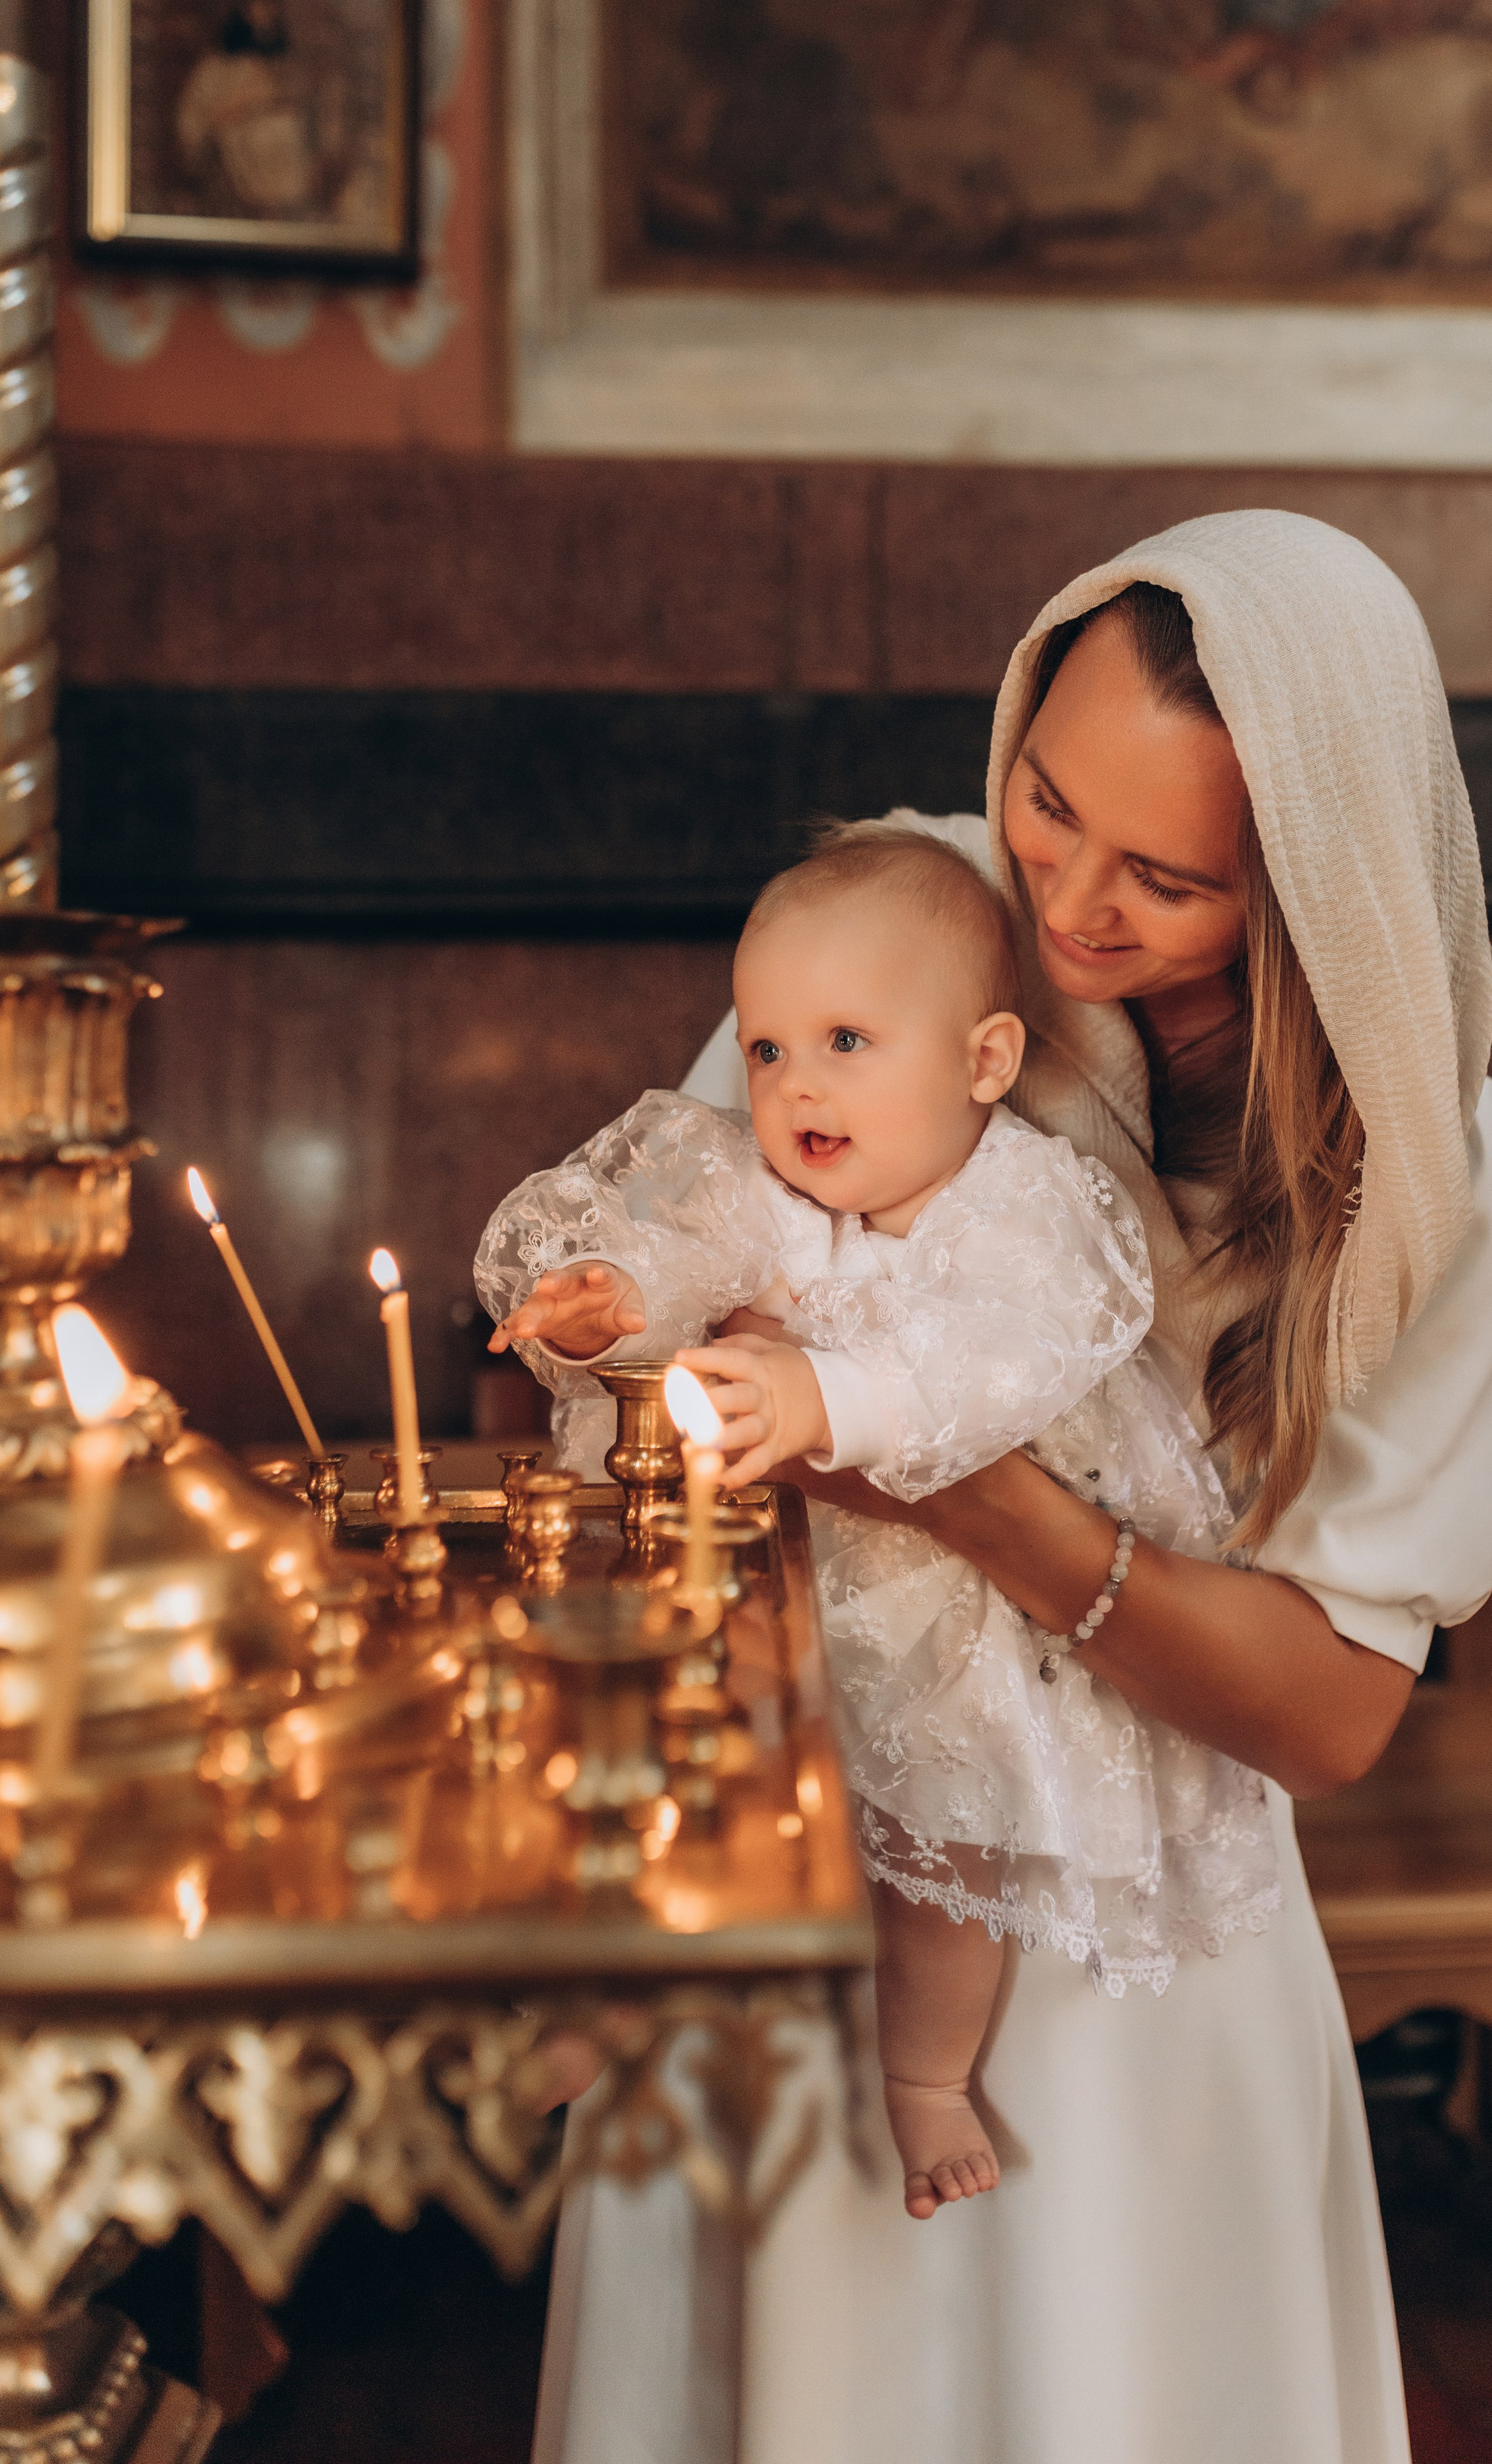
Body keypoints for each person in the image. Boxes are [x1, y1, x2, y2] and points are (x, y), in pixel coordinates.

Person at [526, 509, 1492, 2464]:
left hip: (1126, 1935)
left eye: (1168, 878)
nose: (1066, 899)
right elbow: (683, 1309)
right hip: (791, 1857)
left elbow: (1330, 1713)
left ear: (1314, 889)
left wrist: (959, 1487)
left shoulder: (1442, 1167)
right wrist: (616, 1327)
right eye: (1048, 802)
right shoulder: (897, 932)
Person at [477, 828, 1276, 2221]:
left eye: (846, 1041)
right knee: (678, 1797)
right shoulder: (764, 1192)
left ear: (983, 1061)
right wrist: (608, 1301)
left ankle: (928, 2077)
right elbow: (677, 1253)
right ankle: (607, 2007)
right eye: (768, 1047)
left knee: (947, 1862)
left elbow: (1005, 1359)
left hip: (963, 1618)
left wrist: (825, 1394)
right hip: (776, 1599)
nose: (796, 1085)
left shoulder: (1027, 1204)